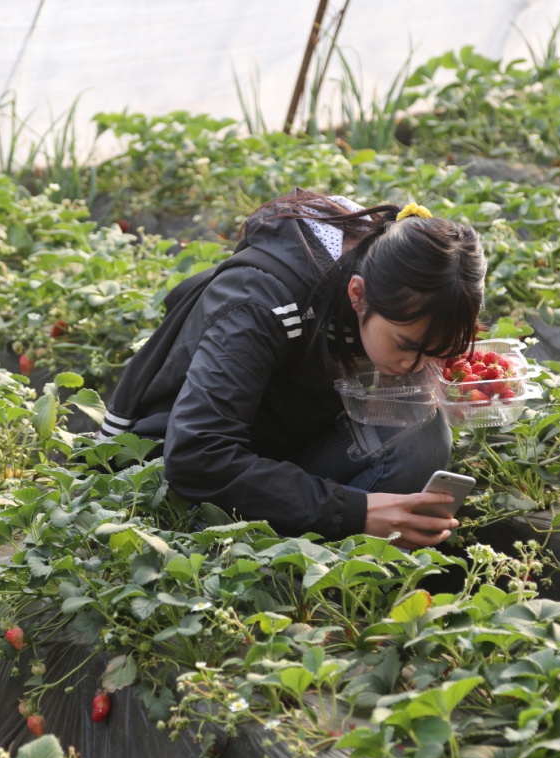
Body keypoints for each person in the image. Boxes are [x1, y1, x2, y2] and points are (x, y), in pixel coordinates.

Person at [101, 190, 487, 549]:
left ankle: (352, 572)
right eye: (407, 345)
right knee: (413, 441)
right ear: (358, 295)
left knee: (420, 431)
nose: (416, 365)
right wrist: (355, 511)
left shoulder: (383, 271)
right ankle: (303, 579)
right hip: (178, 477)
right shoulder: (262, 302)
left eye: (437, 351)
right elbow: (198, 456)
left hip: (283, 443)